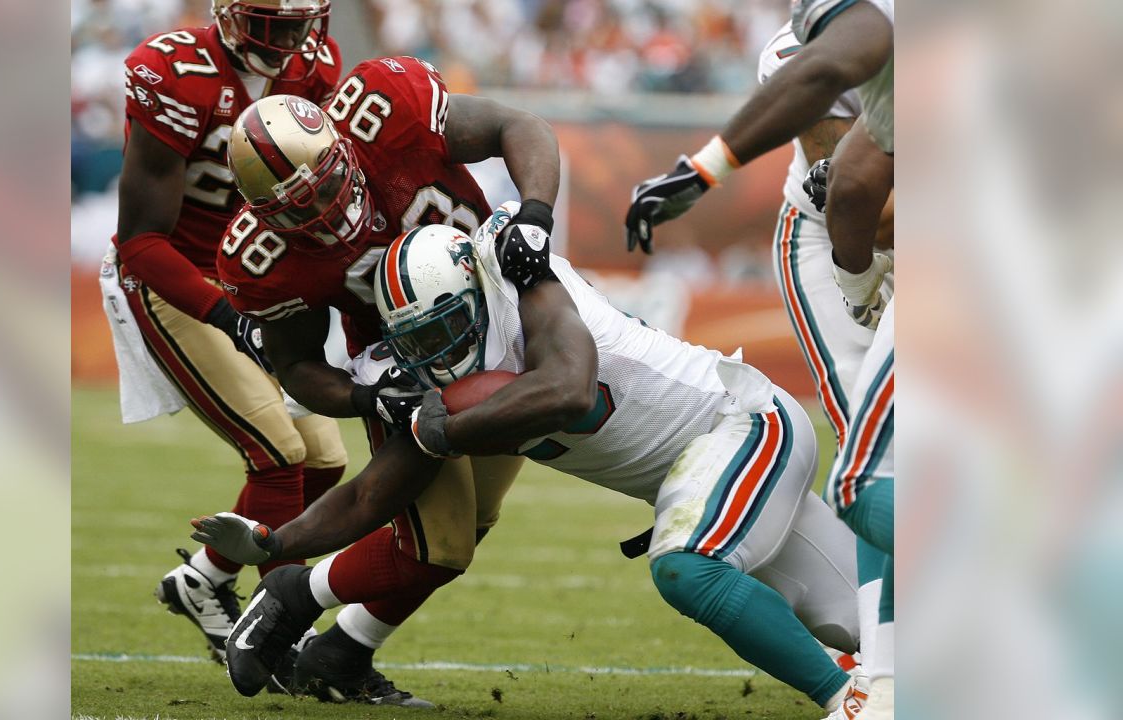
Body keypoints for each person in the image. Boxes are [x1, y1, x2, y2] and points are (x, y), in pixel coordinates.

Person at [199, 211, 870, 719]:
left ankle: (847, 703)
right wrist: (276, 545)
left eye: (443, 329)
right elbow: (373, 494)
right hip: (699, 471)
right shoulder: (447, 379)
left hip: (743, 425)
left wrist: (449, 427)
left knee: (687, 568)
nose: (438, 352)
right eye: (419, 342)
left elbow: (569, 389)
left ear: (474, 289)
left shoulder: (533, 294)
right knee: (878, 628)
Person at [208, 56, 562, 705]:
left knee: (473, 521)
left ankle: (340, 655)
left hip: (494, 315)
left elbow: (520, 125)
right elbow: (299, 368)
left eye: (325, 182)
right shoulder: (267, 258)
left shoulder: (385, 107)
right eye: (297, 205)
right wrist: (365, 397)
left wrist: (534, 214)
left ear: (344, 147)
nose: (323, 206)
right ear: (264, 213)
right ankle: (292, 600)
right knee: (440, 545)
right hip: (403, 356)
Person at [102, 0, 346, 666]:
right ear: (236, 16)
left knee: (326, 462)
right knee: (278, 454)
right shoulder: (176, 73)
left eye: (303, 21)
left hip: (252, 278)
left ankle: (204, 580)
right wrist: (227, 315)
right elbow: (141, 242)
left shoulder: (315, 67)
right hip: (171, 277)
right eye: (277, 23)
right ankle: (279, 634)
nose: (295, 38)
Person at [756, 21, 894, 695]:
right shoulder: (828, 181)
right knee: (874, 445)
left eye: (834, 114)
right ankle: (883, 654)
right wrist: (857, 280)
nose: (822, 139)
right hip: (826, 244)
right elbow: (855, 197)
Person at [622, 0, 893, 256]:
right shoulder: (798, 53)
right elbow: (870, 216)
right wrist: (702, 171)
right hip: (838, 243)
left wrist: (702, 172)